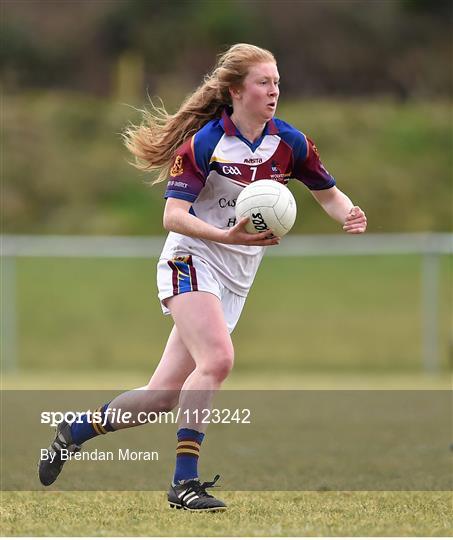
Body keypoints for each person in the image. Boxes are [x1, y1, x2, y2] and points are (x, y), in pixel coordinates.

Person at [38, 43, 367, 511]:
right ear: (236, 90)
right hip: (190, 259)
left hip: (235, 277)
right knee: (218, 359)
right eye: (263, 82)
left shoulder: (290, 143)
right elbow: (173, 216)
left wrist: (349, 214)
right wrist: (223, 236)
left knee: (160, 398)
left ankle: (73, 430)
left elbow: (328, 193)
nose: (274, 90)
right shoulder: (206, 143)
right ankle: (184, 484)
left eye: (277, 82)